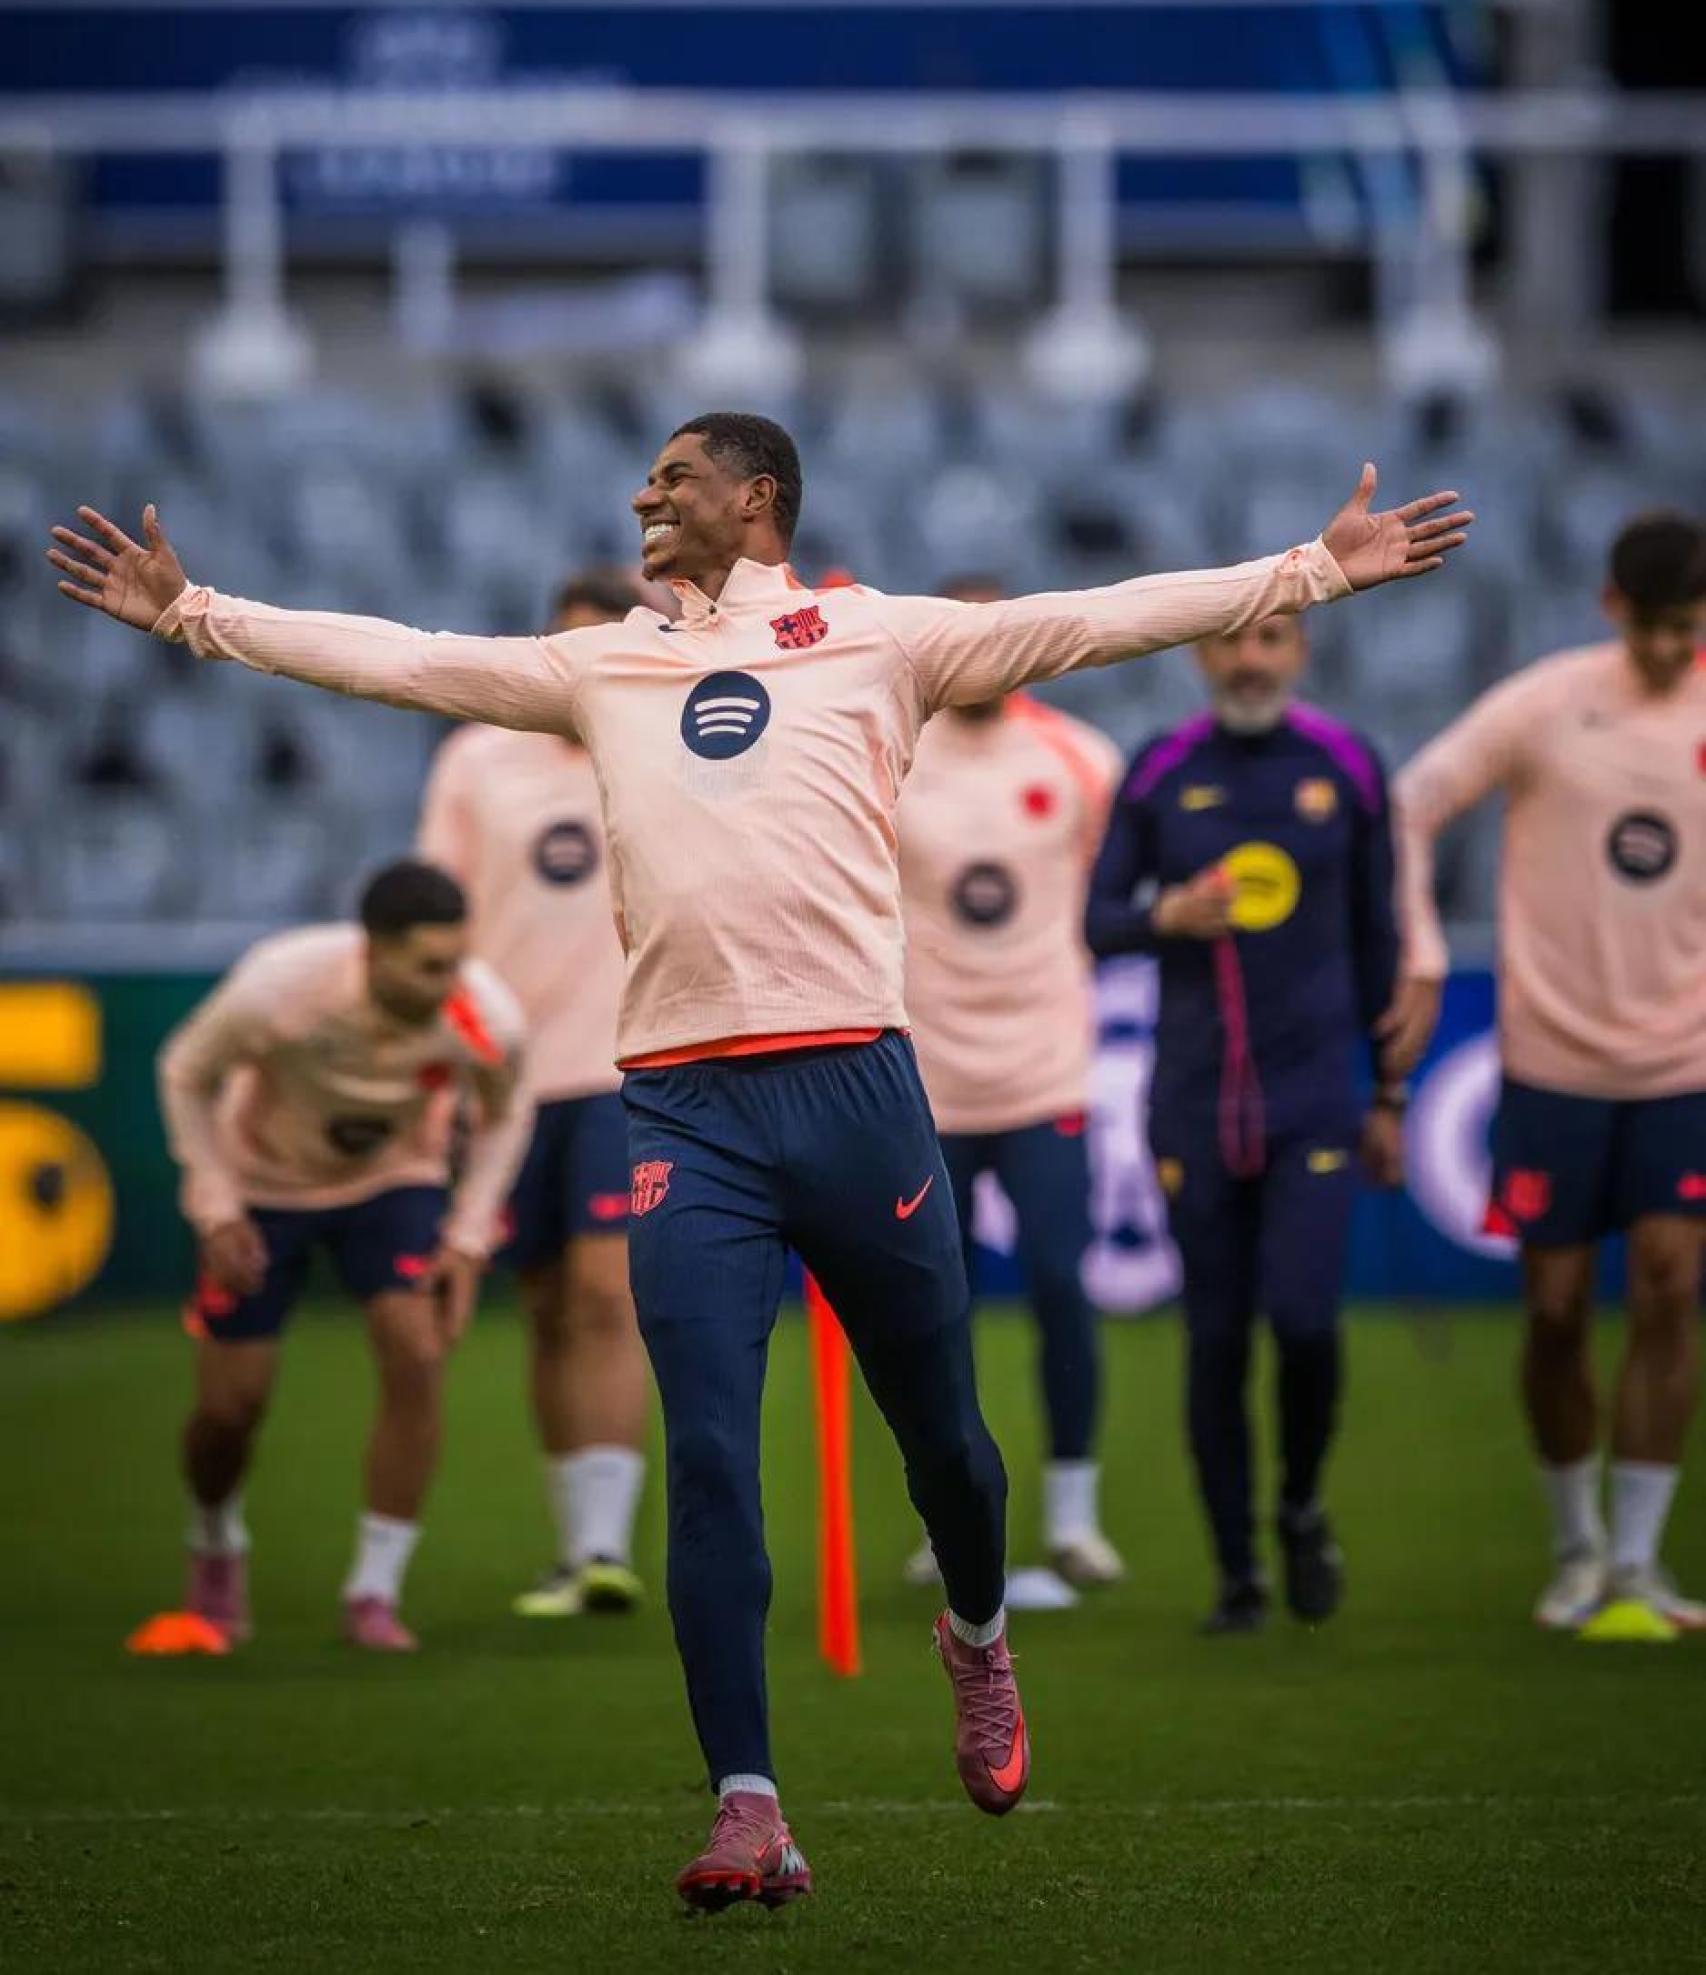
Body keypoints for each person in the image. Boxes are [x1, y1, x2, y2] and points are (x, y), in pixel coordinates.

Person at [50, 424, 1471, 1909]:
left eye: (673, 476)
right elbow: (405, 659)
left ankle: (978, 1635)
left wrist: (1310, 570)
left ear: (756, 498)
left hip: (858, 1092)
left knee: (946, 1443)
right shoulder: (602, 666)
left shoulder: (877, 639)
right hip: (683, 1113)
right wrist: (195, 612)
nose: (644, 494)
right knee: (713, 1457)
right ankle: (749, 1804)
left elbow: (1100, 616)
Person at [1389, 510, 1706, 1640]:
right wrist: (1423, 951)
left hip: (1683, 1062)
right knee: (1557, 1306)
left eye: (1687, 628)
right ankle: (1574, 1552)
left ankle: (1637, 1562)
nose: (1667, 648)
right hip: (1551, 1059)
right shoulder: (1546, 704)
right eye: (1652, 625)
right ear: (1612, 607)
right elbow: (1411, 801)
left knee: (1668, 1286)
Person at [1085, 613, 1403, 1633]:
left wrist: (1389, 1094)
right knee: (1214, 1338)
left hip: (1313, 1099)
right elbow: (1096, 922)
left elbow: (1380, 938)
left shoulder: (1348, 765)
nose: (1249, 660)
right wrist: (1164, 917)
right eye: (1230, 643)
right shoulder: (1159, 768)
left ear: (1300, 650)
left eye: (1270, 639)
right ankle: (1237, 1573)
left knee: (1304, 1321)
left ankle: (1299, 1504)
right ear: (1199, 655)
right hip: (1192, 1102)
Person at [154, 859, 530, 1652]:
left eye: (458, 960)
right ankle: (215, 1540)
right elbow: (185, 1072)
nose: (450, 981)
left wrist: (468, 1237)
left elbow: (506, 1113)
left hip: (394, 1180)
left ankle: (374, 1591)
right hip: (263, 1186)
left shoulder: (485, 1015)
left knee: (417, 1354)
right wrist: (215, 1206)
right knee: (229, 1410)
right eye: (429, 965)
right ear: (373, 950)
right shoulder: (277, 989)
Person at [417, 568, 648, 1620]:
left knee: (606, 1295)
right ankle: (573, 1544)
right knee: (548, 1305)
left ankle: (606, 1546)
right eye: (563, 647)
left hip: (622, 1066)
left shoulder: (656, 749)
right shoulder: (476, 758)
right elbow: (440, 921)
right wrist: (444, 1075)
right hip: (506, 1078)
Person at [896, 574, 1126, 1597]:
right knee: (930, 1308)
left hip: (1044, 1075)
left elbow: (1113, 901)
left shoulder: (1082, 759)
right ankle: (946, 1513)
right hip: (923, 1082)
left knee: (1061, 1287)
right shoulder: (889, 751)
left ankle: (1073, 1517)